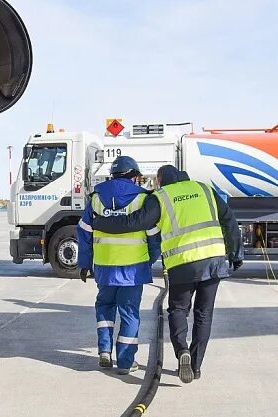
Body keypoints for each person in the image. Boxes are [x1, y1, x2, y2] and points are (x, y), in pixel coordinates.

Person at [92, 165, 243, 384]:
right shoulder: (204, 189)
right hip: (213, 260)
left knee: (178, 309)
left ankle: (182, 349)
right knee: (204, 314)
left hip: (183, 264)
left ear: (161, 180)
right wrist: (236, 253)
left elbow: (136, 222)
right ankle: (196, 365)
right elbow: (229, 219)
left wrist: (102, 222)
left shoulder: (161, 197)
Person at [77, 155, 161, 376]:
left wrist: (85, 262)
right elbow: (153, 234)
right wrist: (151, 259)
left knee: (104, 306)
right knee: (129, 313)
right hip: (134, 268)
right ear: (133, 176)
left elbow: (84, 231)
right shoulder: (143, 199)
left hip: (105, 266)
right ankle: (125, 363)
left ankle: (105, 349)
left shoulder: (96, 198)